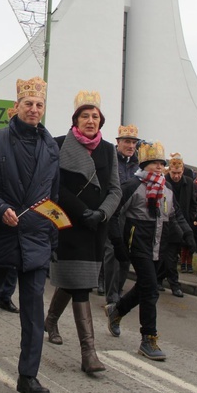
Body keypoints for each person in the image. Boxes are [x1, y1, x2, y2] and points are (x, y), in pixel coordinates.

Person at [0, 76, 59, 393]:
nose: (34, 109)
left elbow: (53, 195)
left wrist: (53, 238)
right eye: (28, 104)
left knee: (33, 312)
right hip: (1, 235)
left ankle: (28, 375)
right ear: (16, 107)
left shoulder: (51, 147)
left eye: (39, 105)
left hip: (35, 239)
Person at [44, 90, 120, 373]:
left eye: (95, 116)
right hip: (68, 223)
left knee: (76, 279)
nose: (90, 120)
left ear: (101, 121)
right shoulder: (59, 144)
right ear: (75, 120)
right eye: (85, 116)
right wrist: (81, 210)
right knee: (81, 286)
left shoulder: (108, 150)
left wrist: (102, 213)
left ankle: (50, 320)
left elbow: (114, 189)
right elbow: (54, 184)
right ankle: (89, 353)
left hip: (96, 226)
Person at [104, 141, 193, 361]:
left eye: (161, 164)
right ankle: (148, 339)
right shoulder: (133, 186)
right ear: (144, 165)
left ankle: (117, 311)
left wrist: (188, 235)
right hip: (138, 245)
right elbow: (113, 215)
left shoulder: (167, 188)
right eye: (154, 163)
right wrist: (118, 244)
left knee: (145, 286)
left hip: (160, 246)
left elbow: (176, 215)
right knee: (151, 291)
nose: (158, 167)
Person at [101, 124, 140, 304]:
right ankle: (111, 294)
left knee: (125, 254)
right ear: (119, 142)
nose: (131, 146)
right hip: (111, 211)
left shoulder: (138, 165)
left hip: (130, 214)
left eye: (133, 142)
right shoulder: (110, 158)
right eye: (127, 142)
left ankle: (117, 287)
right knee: (112, 252)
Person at [160, 153, 196, 296]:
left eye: (179, 173)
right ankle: (166, 282)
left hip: (182, 222)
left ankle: (170, 283)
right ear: (169, 171)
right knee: (165, 257)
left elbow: (193, 203)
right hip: (165, 224)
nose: (176, 176)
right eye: (174, 173)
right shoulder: (164, 183)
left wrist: (190, 223)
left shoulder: (188, 183)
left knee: (171, 257)